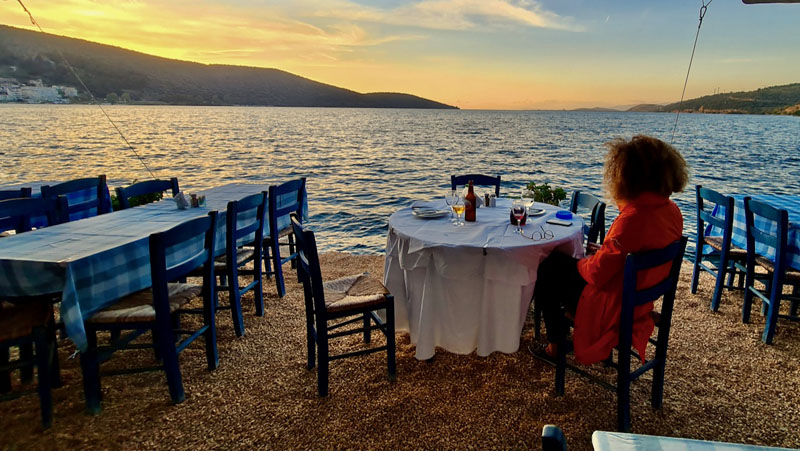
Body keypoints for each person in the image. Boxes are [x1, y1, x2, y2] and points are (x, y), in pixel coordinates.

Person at [534, 134, 688, 364]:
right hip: (638, 297)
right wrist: (604, 251)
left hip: (612, 303)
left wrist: (584, 259)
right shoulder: (672, 211)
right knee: (564, 263)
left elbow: (597, 273)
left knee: (548, 266)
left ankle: (556, 346)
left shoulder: (632, 219)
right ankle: (564, 325)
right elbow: (637, 251)